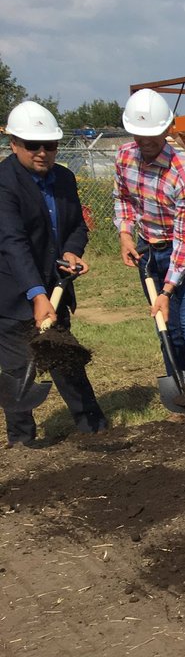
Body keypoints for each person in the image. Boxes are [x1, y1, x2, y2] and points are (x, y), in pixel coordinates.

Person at [0, 101, 107, 445]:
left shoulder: (65, 178)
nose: (43, 152)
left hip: (55, 288)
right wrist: (36, 294)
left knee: (66, 360)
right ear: (14, 143)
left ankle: (93, 429)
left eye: (50, 145)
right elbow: (12, 241)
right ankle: (22, 442)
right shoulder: (4, 183)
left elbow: (77, 226)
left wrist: (72, 251)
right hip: (14, 292)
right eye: (33, 145)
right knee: (18, 369)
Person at [113, 88, 185, 397]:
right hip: (148, 251)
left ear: (168, 128)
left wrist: (167, 290)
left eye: (153, 136)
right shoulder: (124, 156)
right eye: (139, 135)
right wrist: (124, 233)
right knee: (168, 331)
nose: (145, 143)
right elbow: (123, 198)